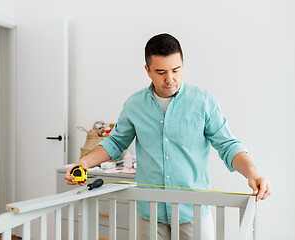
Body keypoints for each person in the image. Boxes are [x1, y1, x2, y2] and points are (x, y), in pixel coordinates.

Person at [65, 33, 271, 240]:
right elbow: (116, 142)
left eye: (176, 70)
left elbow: (228, 145)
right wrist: (84, 162)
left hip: (193, 213)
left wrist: (253, 174)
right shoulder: (134, 105)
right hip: (149, 213)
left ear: (183, 64)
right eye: (161, 72)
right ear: (147, 71)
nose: (170, 79)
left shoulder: (203, 102)